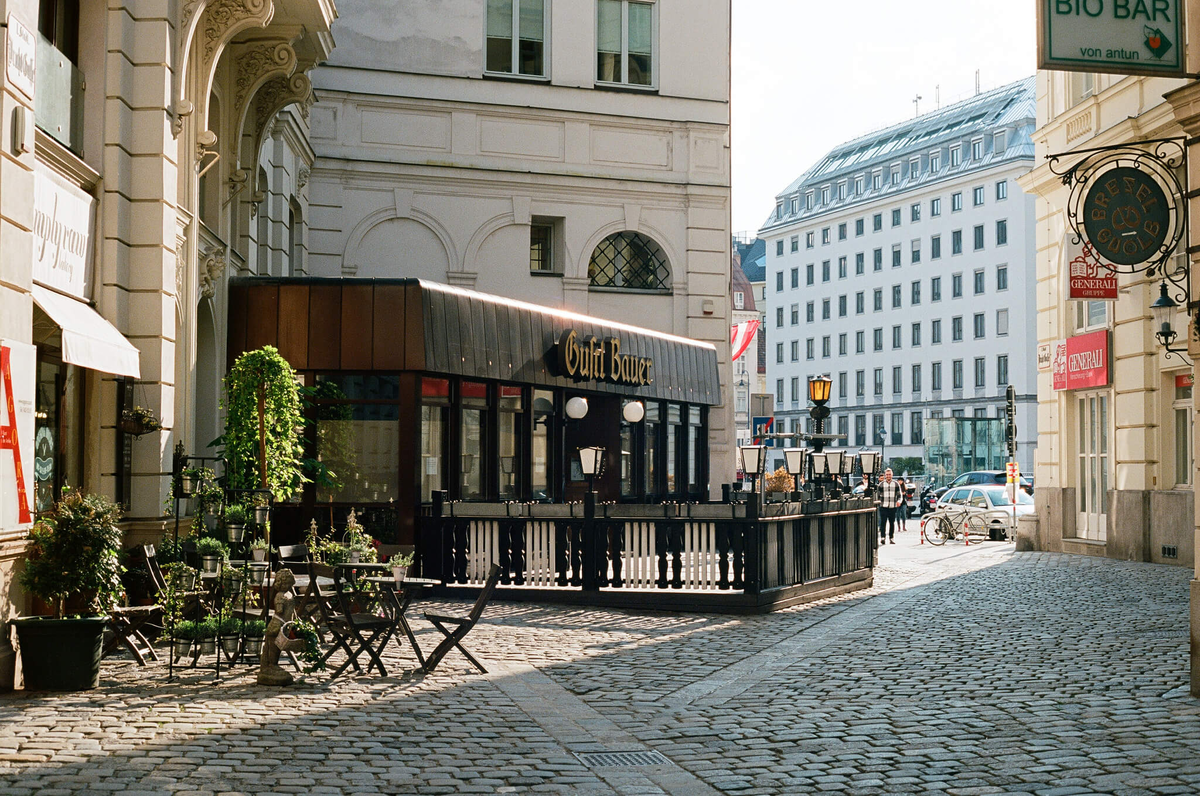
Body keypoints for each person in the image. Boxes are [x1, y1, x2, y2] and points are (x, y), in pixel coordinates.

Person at [877, 468, 902, 545]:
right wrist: (879, 503)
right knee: (883, 522)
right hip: (883, 506)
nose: (888, 476)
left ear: (892, 475)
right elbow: (877, 495)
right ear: (885, 475)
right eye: (887, 474)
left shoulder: (896, 484)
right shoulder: (881, 484)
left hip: (892, 506)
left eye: (889, 474)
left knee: (892, 523)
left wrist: (899, 501)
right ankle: (883, 537)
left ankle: (891, 538)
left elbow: (899, 495)